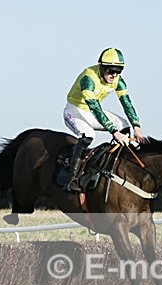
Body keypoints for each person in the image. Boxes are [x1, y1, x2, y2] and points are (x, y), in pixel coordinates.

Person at [62, 47, 146, 192]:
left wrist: (136, 126)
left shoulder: (118, 81)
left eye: (118, 71)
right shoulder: (88, 79)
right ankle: (71, 179)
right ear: (102, 67)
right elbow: (95, 107)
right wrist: (114, 132)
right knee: (89, 135)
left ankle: (117, 166)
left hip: (91, 112)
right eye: (111, 70)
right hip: (75, 110)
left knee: (125, 126)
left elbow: (126, 103)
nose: (114, 75)